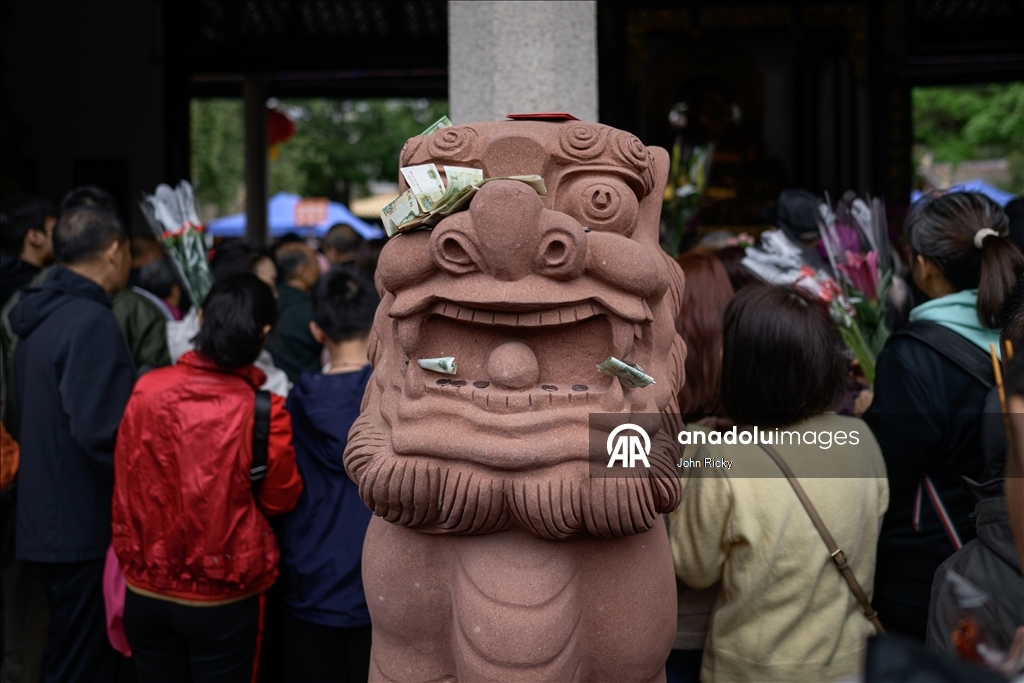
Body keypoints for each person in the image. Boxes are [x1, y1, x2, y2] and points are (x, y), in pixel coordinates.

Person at [670, 285, 888, 683]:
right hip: (851, 662)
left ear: (746, 366)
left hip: (756, 670)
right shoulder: (860, 438)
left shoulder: (725, 459)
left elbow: (694, 568)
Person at [113, 273, 303, 683]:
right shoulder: (265, 411)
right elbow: (280, 499)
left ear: (201, 318)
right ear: (263, 333)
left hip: (146, 585)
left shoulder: (146, 390)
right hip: (224, 590)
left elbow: (127, 478)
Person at [864, 191, 1024, 641]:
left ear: (924, 266)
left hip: (931, 571)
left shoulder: (914, 355)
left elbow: (886, 475)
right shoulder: (1015, 331)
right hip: (1008, 562)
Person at [9, 206, 136, 682]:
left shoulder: (41, 315)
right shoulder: (90, 320)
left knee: (63, 649)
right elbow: (101, 432)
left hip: (44, 515)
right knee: (82, 663)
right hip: (81, 522)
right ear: (114, 251)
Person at [278, 265, 379, 682]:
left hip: (311, 572)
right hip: (380, 579)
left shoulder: (293, 404)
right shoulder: (392, 402)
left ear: (317, 331)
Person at [267, 242, 323, 383]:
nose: (319, 269)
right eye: (315, 263)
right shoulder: (310, 310)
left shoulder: (267, 302)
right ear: (302, 270)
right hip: (306, 385)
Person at [0, 195, 57, 307]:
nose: (62, 235)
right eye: (55, 230)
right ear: (35, 236)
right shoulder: (38, 287)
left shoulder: (6, 277)